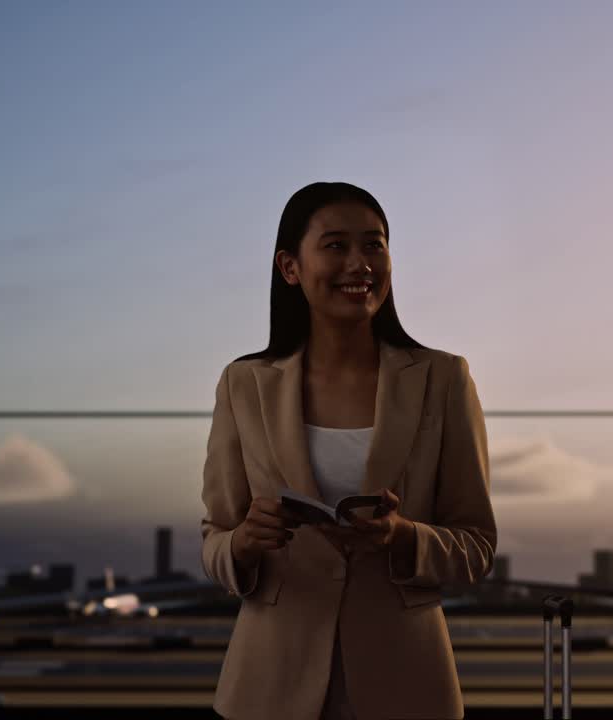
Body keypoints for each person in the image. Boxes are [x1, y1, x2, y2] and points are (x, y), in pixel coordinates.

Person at [200, 181, 497, 720]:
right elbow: (214, 540)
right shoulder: (244, 384)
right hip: (269, 685)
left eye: (374, 245)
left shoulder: (443, 379)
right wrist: (244, 542)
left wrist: (404, 536)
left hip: (407, 684)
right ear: (290, 267)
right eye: (336, 245)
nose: (360, 263)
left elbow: (476, 546)